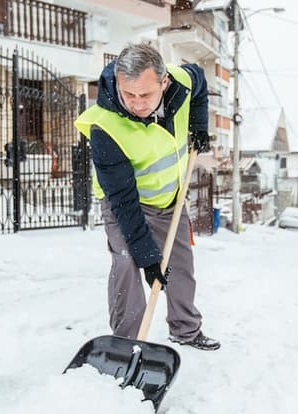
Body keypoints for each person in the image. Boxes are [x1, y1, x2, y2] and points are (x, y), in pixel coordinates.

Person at [74, 43, 220, 351]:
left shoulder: (182, 80)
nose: (137, 104)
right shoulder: (104, 125)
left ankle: (186, 329)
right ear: (117, 82)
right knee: (128, 264)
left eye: (146, 95)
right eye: (129, 95)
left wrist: (199, 124)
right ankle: (126, 343)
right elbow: (123, 198)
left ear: (164, 82)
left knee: (180, 265)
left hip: (170, 198)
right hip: (125, 204)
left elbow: (200, 82)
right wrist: (148, 256)